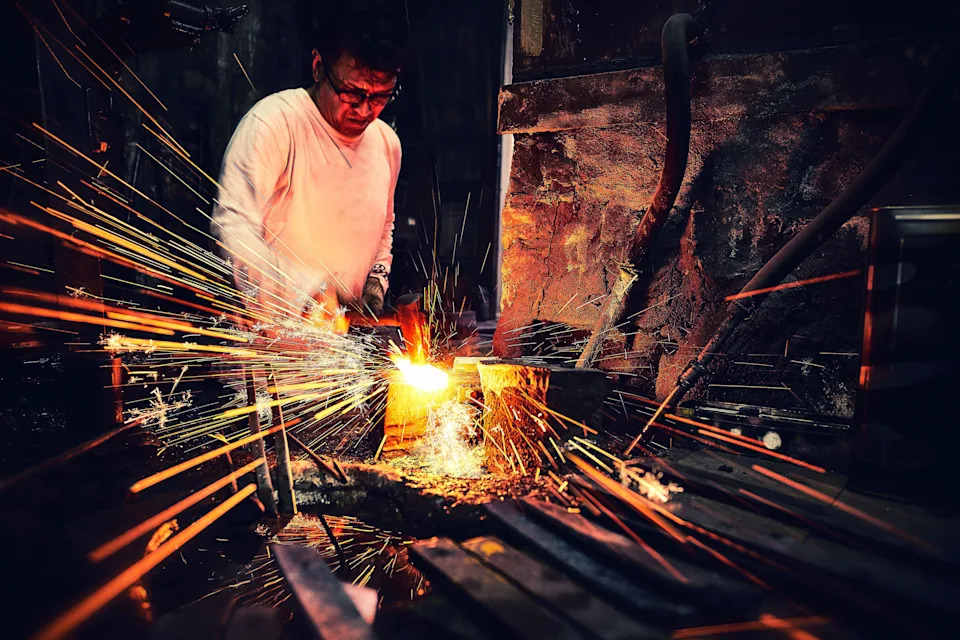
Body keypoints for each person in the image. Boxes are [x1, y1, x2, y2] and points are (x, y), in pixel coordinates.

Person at [212, 4, 406, 329]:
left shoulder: (387, 144)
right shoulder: (274, 124)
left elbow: (384, 226)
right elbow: (232, 231)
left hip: (338, 361)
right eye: (352, 92)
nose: (364, 109)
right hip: (266, 361)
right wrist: (306, 292)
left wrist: (376, 283)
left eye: (380, 96)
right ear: (318, 66)